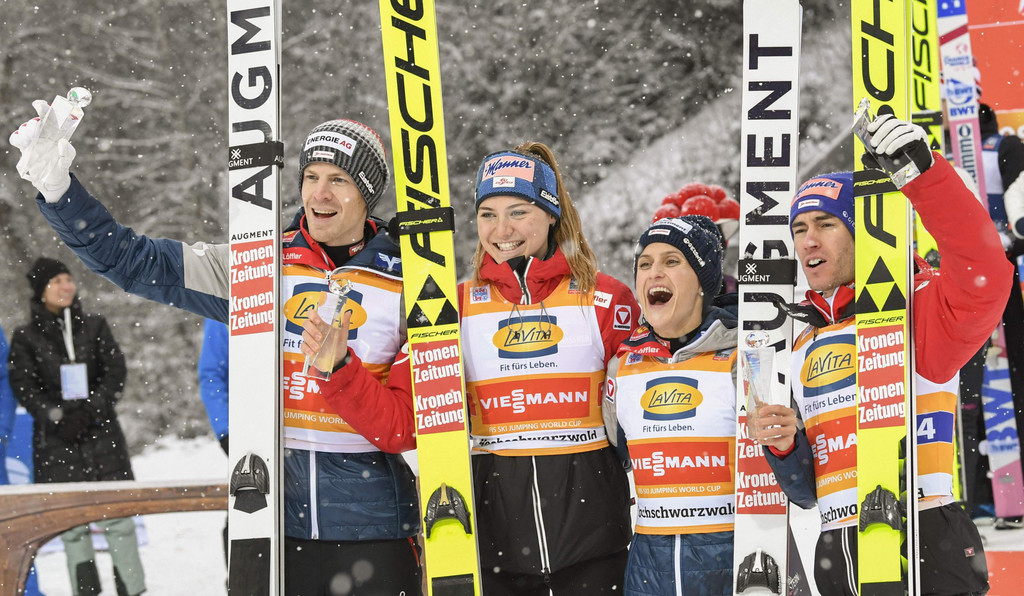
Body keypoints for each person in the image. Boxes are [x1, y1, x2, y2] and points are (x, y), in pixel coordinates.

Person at [10, 100, 421, 594]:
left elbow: (405, 427)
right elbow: (131, 261)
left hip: (374, 528)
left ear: (367, 193)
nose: (320, 193)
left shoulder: (410, 281)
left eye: (339, 180)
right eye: (311, 176)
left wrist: (339, 369)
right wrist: (60, 193)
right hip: (271, 522)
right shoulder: (258, 266)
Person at [304, 141, 639, 594]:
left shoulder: (606, 300)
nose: (501, 229)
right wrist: (341, 367)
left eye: (518, 212)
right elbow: (404, 425)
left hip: (597, 553)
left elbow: (650, 402)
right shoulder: (454, 310)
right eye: (487, 214)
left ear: (550, 213)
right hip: (495, 555)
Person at [752, 113, 1011, 596]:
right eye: (799, 228)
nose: (809, 239)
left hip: (923, 539)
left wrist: (926, 178)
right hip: (838, 550)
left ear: (863, 232)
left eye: (826, 223)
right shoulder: (803, 339)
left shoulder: (919, 307)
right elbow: (809, 490)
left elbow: (986, 276)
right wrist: (786, 447)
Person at [600, 215, 736, 595]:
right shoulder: (622, 366)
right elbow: (619, 454)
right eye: (644, 264)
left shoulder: (741, 356)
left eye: (672, 261)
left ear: (703, 283)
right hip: (649, 573)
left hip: (731, 566)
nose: (654, 272)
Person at [8, 258, 146, 596]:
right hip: (57, 443)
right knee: (73, 526)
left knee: (118, 518)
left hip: (102, 435)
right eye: (56, 281)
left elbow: (115, 372)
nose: (65, 286)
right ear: (41, 290)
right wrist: (57, 417)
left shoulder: (95, 325)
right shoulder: (25, 337)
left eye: (68, 279)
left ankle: (132, 590)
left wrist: (89, 411)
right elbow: (24, 386)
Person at [979, 103, 1024, 530]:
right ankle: (994, 495)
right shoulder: (944, 153)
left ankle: (1006, 495)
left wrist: (1009, 240)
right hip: (977, 275)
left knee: (1010, 379)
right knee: (990, 384)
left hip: (999, 272)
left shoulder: (1004, 147)